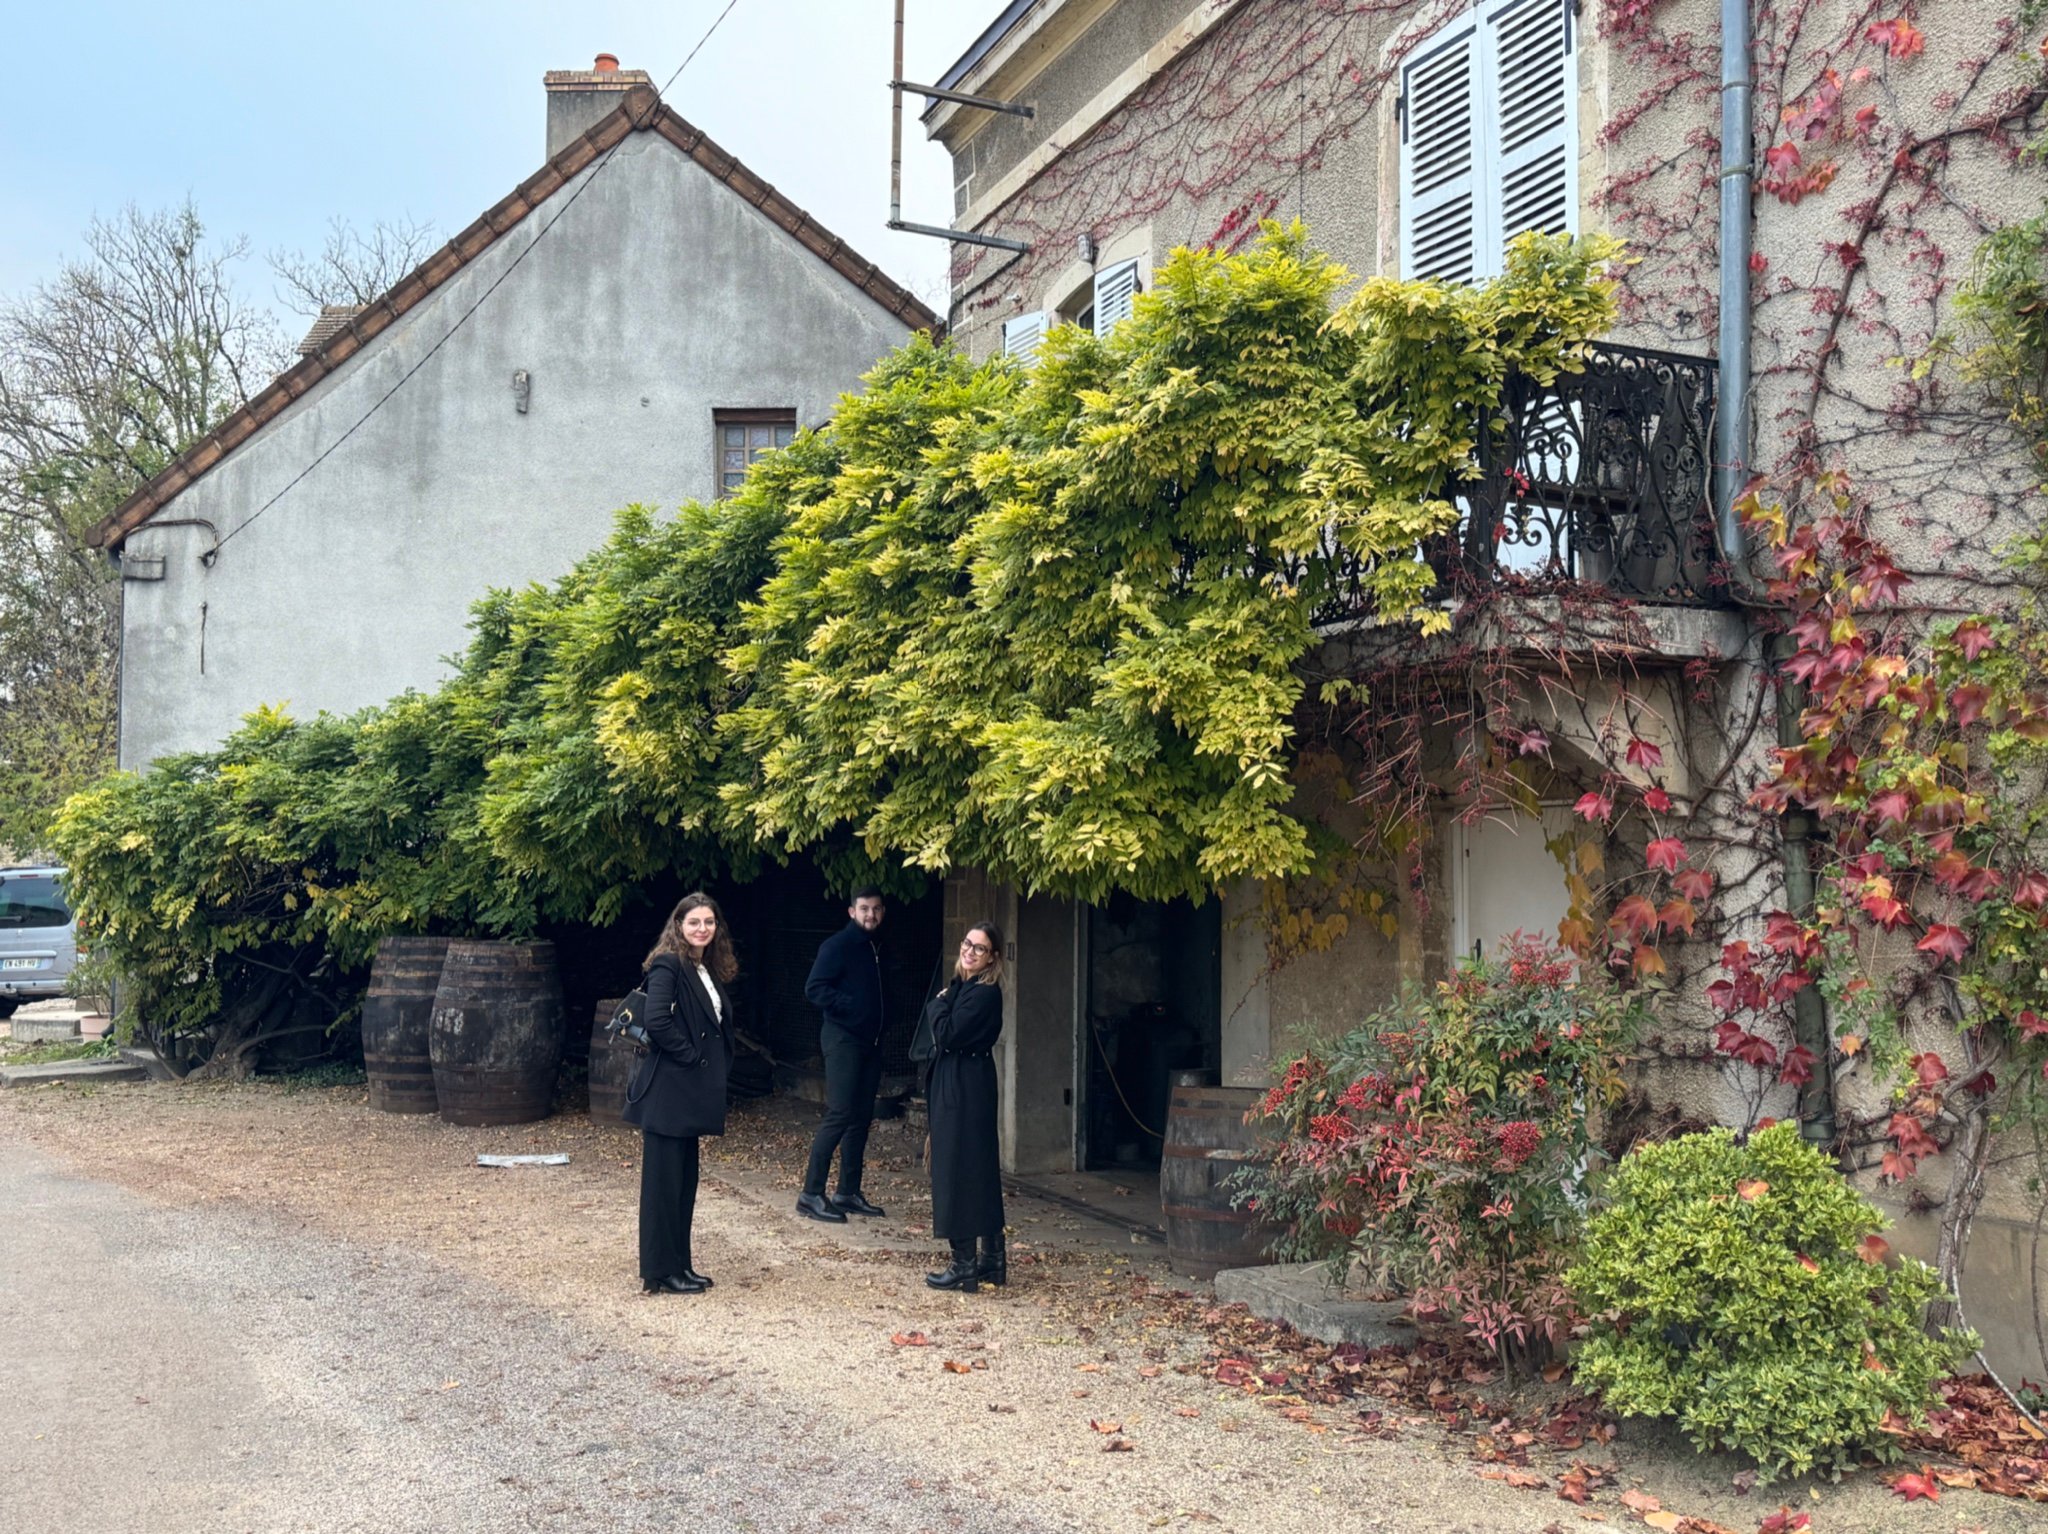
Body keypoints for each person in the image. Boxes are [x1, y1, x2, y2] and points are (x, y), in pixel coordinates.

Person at [623, 892, 736, 1295]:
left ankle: (680, 1265)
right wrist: (692, 1058)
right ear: (678, 926)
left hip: (687, 1092)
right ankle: (659, 1271)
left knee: (683, 1184)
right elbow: (655, 1020)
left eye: (708, 922)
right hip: (669, 1092)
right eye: (694, 923)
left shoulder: (703, 967)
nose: (702, 929)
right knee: (662, 1187)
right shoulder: (668, 964)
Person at [797, 886, 890, 1222]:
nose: (871, 915)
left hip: (871, 1042)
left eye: (876, 909)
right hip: (843, 1039)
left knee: (860, 1118)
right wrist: (850, 1009)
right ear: (852, 912)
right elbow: (815, 987)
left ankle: (848, 1192)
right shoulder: (838, 945)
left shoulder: (876, 945)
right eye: (864, 909)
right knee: (840, 1112)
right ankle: (811, 1193)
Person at [924, 921, 1007, 1292]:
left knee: (959, 1165)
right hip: (965, 1079)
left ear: (993, 958)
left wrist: (937, 1005)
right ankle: (990, 1260)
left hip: (964, 1084)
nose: (970, 952)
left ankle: (965, 1264)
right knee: (974, 1165)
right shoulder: (966, 987)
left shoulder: (984, 994)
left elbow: (948, 1034)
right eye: (967, 944)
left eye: (980, 948)